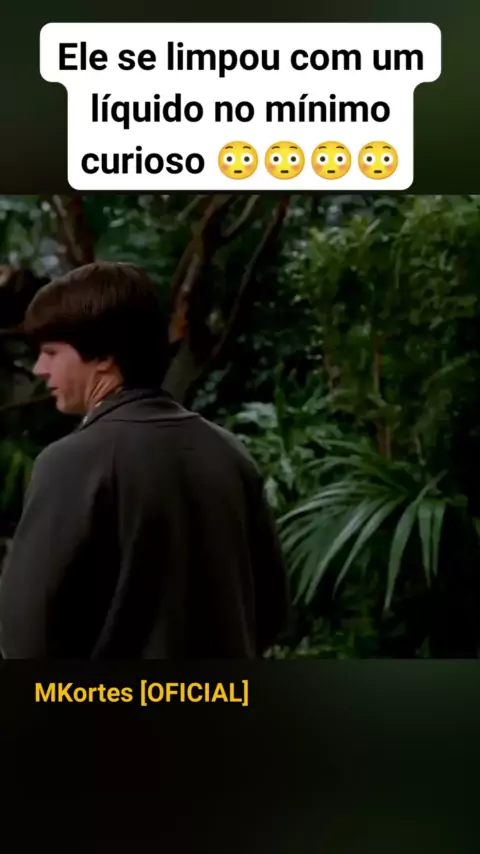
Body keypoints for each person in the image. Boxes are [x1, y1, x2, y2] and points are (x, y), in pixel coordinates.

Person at [0, 262, 289, 658]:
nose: (39, 369)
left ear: (104, 355)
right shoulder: (229, 452)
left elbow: (26, 634)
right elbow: (270, 611)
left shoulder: (72, 462)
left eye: (51, 352)